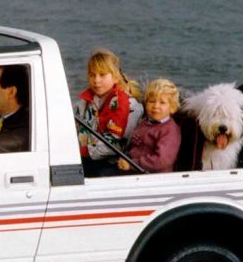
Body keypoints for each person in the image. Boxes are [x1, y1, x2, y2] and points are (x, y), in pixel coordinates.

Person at [75, 48, 143, 176]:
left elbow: (116, 146)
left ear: (115, 77)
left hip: (114, 164)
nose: (96, 80)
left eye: (102, 75)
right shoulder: (84, 102)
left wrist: (81, 152)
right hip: (85, 158)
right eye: (92, 75)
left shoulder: (130, 106)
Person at [117, 78, 181, 173]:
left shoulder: (170, 131)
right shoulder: (145, 121)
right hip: (133, 169)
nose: (156, 106)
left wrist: (132, 164)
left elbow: (162, 161)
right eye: (152, 101)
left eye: (162, 102)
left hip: (154, 176)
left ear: (172, 107)